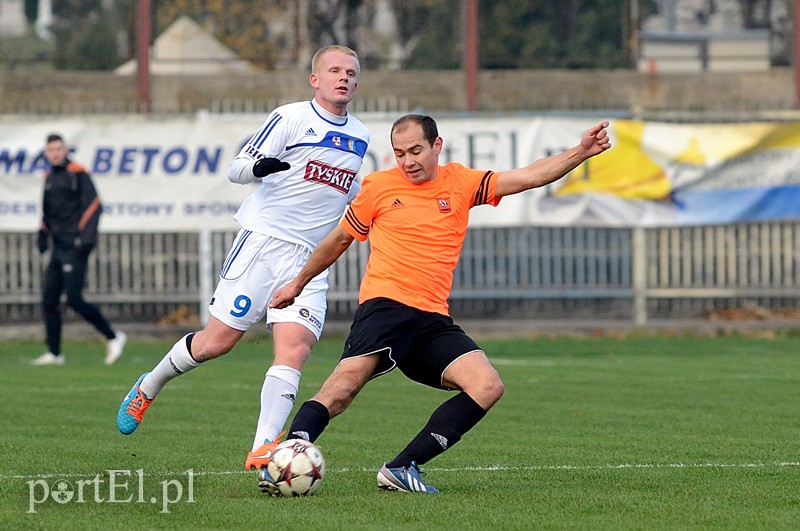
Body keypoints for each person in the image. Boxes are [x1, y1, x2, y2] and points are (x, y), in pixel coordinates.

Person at [269, 114, 611, 493]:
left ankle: (402, 467)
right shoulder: (379, 187)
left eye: (416, 151)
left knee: (486, 385)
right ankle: (287, 454)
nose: (408, 161)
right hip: (386, 306)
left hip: (432, 317)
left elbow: (527, 176)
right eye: (399, 154)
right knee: (342, 389)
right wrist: (297, 284)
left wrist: (580, 152)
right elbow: (338, 240)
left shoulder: (461, 182)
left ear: (437, 146)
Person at [116, 45, 371, 471]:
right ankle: (149, 384)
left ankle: (263, 448)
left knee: (296, 349)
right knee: (217, 343)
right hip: (263, 245)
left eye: (350, 72)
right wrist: (262, 167)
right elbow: (237, 168)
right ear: (315, 79)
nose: (343, 77)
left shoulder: (360, 135)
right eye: (334, 70)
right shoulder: (290, 117)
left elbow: (344, 189)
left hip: (309, 259)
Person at [31, 133, 127, 366]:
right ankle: (55, 353)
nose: (55, 153)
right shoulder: (49, 177)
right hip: (58, 246)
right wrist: (42, 233)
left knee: (73, 298)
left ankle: (113, 337)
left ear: (65, 150)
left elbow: (94, 205)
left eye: (58, 149)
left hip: (75, 246)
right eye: (51, 150)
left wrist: (85, 239)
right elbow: (48, 211)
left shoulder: (78, 173)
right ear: (46, 153)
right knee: (49, 299)